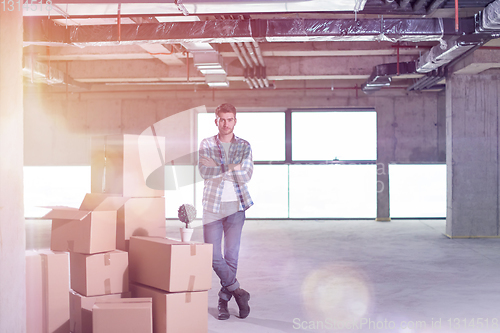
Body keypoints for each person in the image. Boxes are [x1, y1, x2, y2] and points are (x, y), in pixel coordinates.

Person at [198, 103, 254, 320]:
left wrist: (219, 166)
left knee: (231, 257)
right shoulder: (206, 143)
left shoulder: (244, 145)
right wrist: (233, 167)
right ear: (216, 121)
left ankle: (223, 302)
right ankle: (239, 292)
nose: (226, 123)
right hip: (212, 207)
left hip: (236, 207)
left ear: (235, 121)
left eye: (230, 119)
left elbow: (246, 174)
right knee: (212, 256)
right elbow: (204, 171)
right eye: (222, 119)